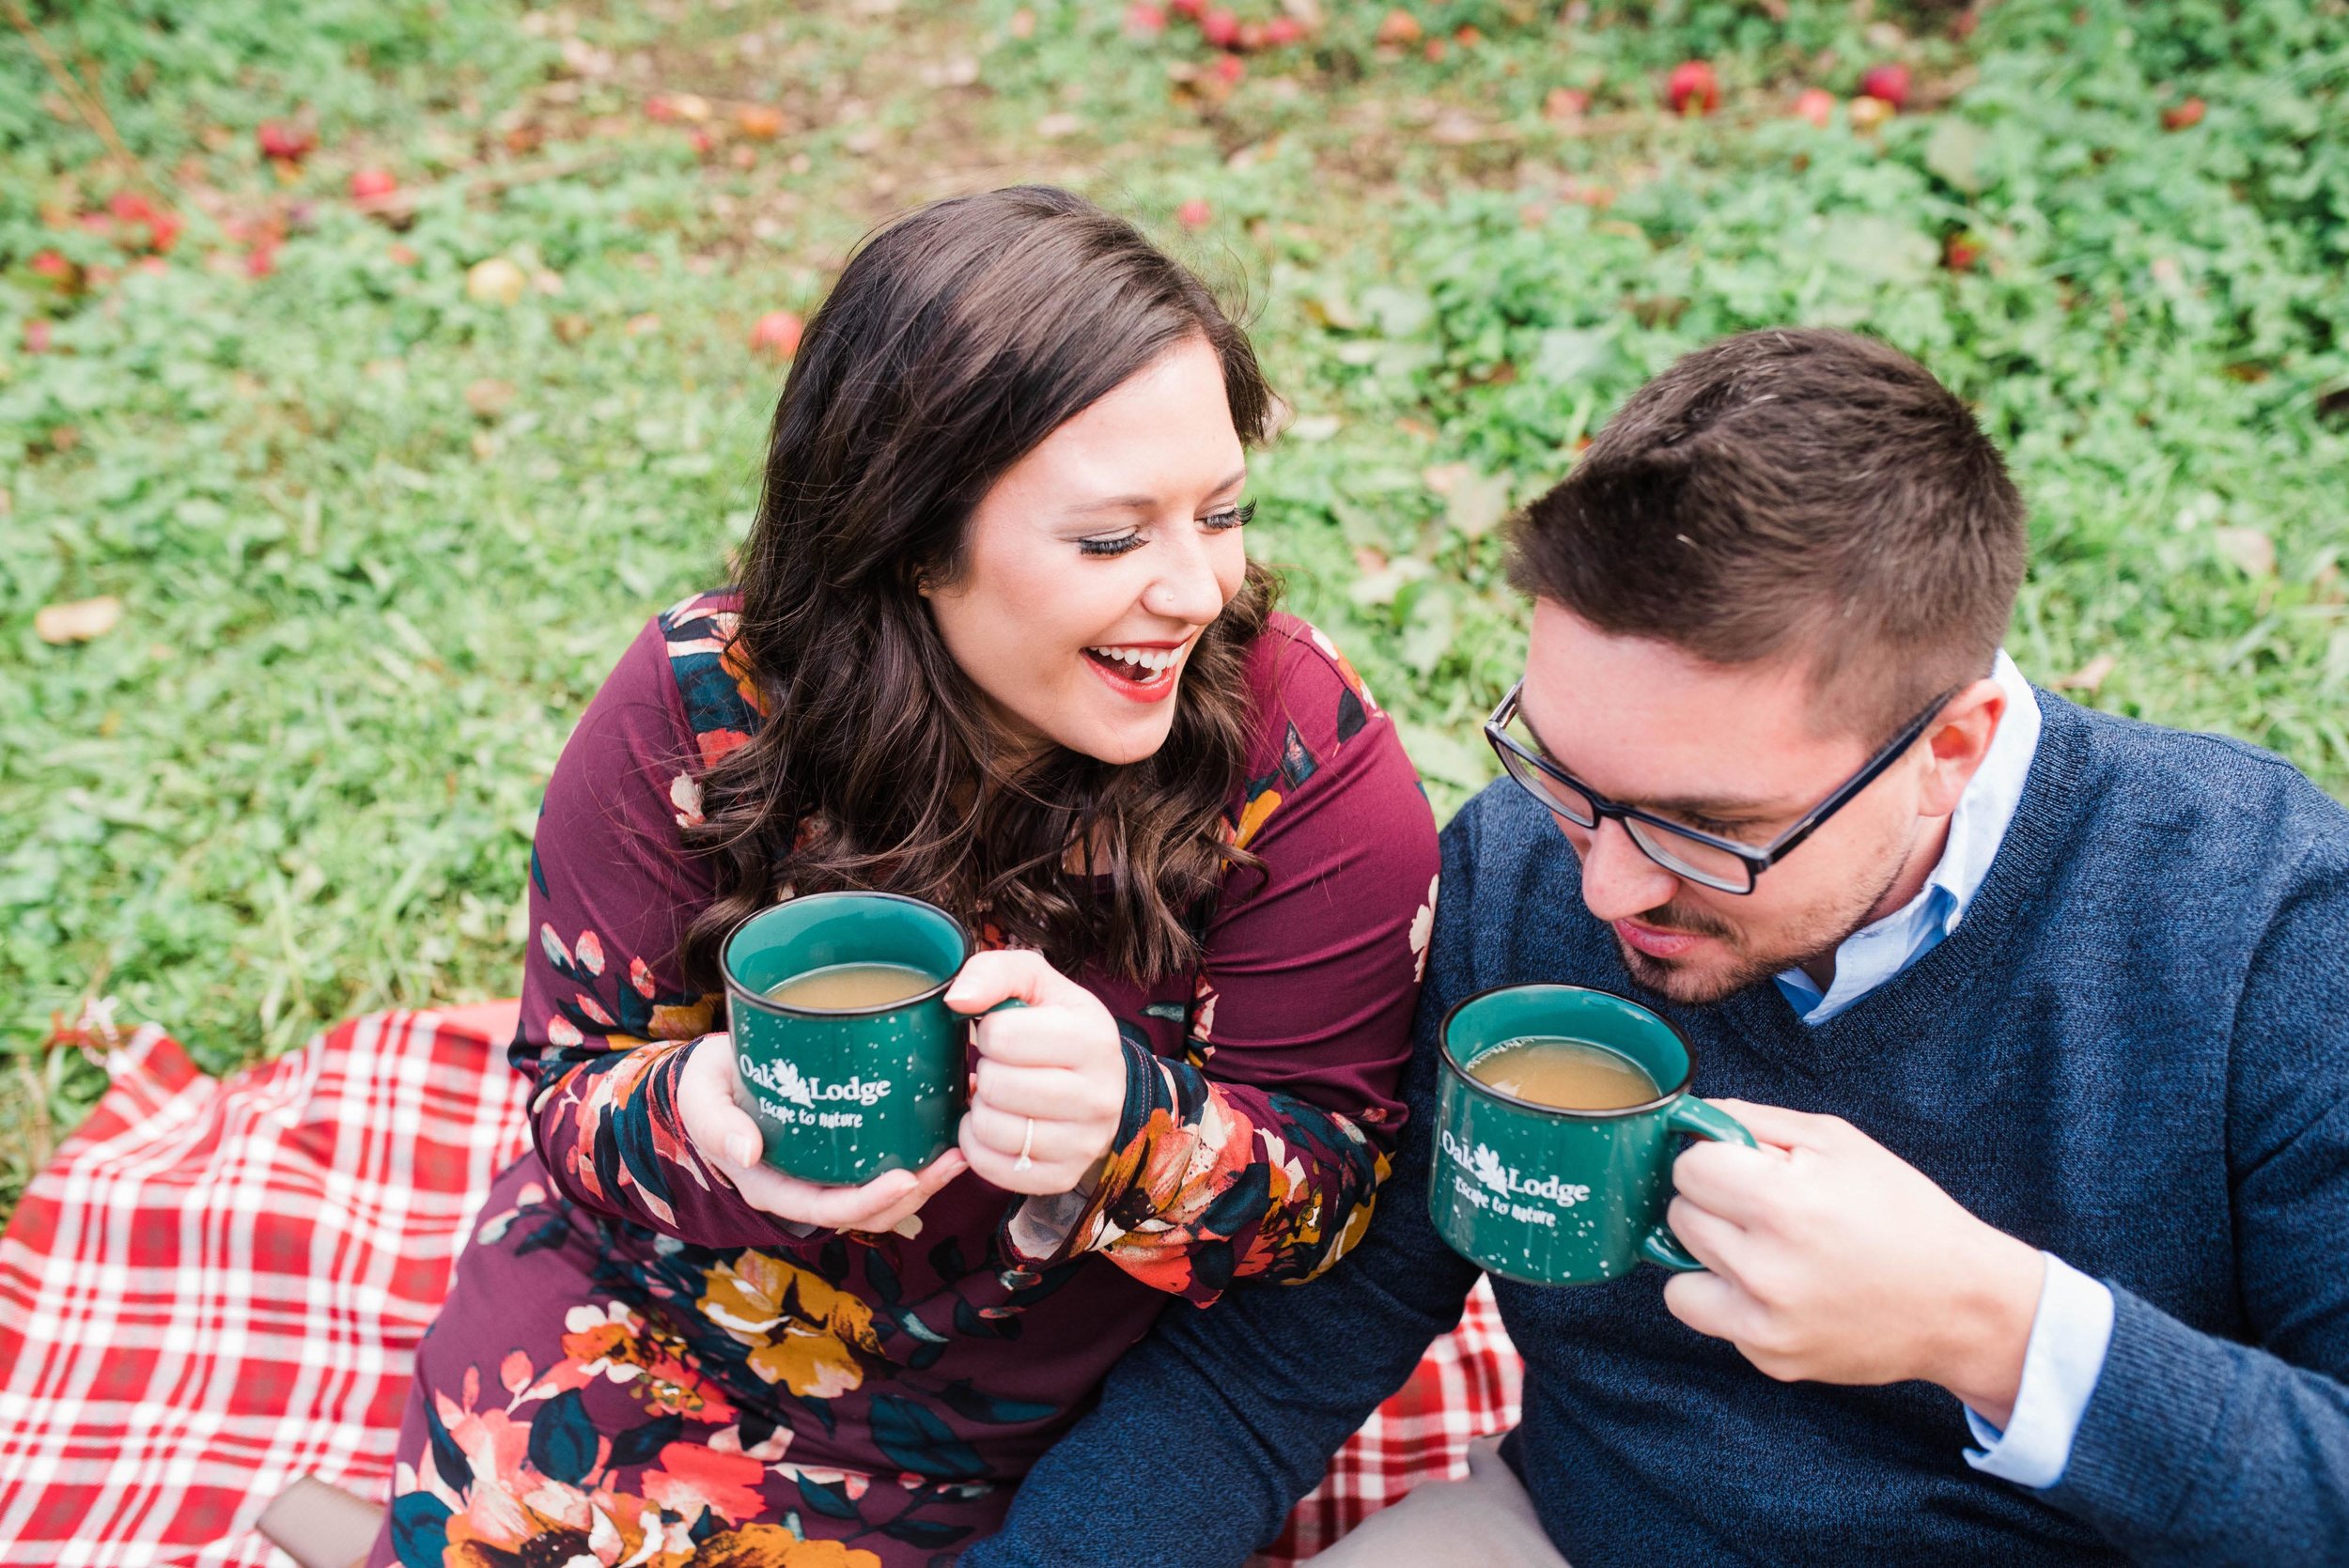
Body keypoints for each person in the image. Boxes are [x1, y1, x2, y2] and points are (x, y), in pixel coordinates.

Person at [962, 328, 2349, 1566]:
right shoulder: (1521, 870)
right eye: (1563, 773)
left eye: (1707, 826)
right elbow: (1281, 1358)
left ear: (1950, 749)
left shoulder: (2258, 919)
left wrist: (1990, 1325)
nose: (1609, 883)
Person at [367, 186, 1439, 1568]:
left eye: (1221, 512)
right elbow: (571, 1086)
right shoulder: (700, 708)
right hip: (659, 1330)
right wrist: (697, 1108)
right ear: (918, 537)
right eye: (1114, 538)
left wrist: (1138, 1127)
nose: (1196, 590)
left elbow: (1339, 1201)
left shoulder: (1296, 758)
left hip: (1036, 1414)